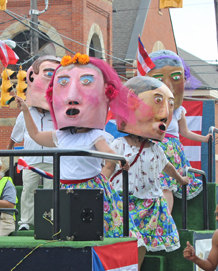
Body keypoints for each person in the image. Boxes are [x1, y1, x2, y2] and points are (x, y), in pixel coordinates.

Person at [16, 53, 140, 240]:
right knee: (66, 229)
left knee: (99, 228)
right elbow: (35, 136)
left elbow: (108, 154)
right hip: (64, 189)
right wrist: (26, 110)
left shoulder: (95, 134)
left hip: (90, 188)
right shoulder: (61, 136)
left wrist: (119, 159)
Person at [102, 76, 189, 271]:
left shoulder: (156, 148)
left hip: (149, 201)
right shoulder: (119, 144)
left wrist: (180, 179)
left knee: (141, 242)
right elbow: (108, 167)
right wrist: (100, 186)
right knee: (134, 239)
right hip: (123, 200)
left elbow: (167, 166)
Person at [146, 50, 212, 212]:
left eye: (175, 77)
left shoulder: (178, 111)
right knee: (153, 184)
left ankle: (166, 217)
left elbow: (185, 132)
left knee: (167, 185)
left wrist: (204, 139)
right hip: (154, 146)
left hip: (171, 149)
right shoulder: (148, 110)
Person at [7, 55, 60, 231]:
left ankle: (49, 221)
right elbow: (15, 137)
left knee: (51, 192)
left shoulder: (58, 114)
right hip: (30, 160)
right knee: (28, 190)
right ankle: (25, 222)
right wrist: (8, 152)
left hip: (54, 160)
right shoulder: (24, 114)